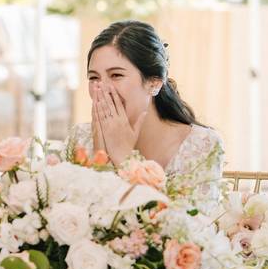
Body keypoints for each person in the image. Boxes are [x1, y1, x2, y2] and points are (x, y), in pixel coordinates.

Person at [68, 20, 224, 211]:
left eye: (116, 75)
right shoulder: (80, 138)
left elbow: (195, 230)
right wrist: (101, 161)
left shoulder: (202, 145)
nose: (102, 89)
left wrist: (126, 160)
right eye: (94, 77)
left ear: (154, 83)